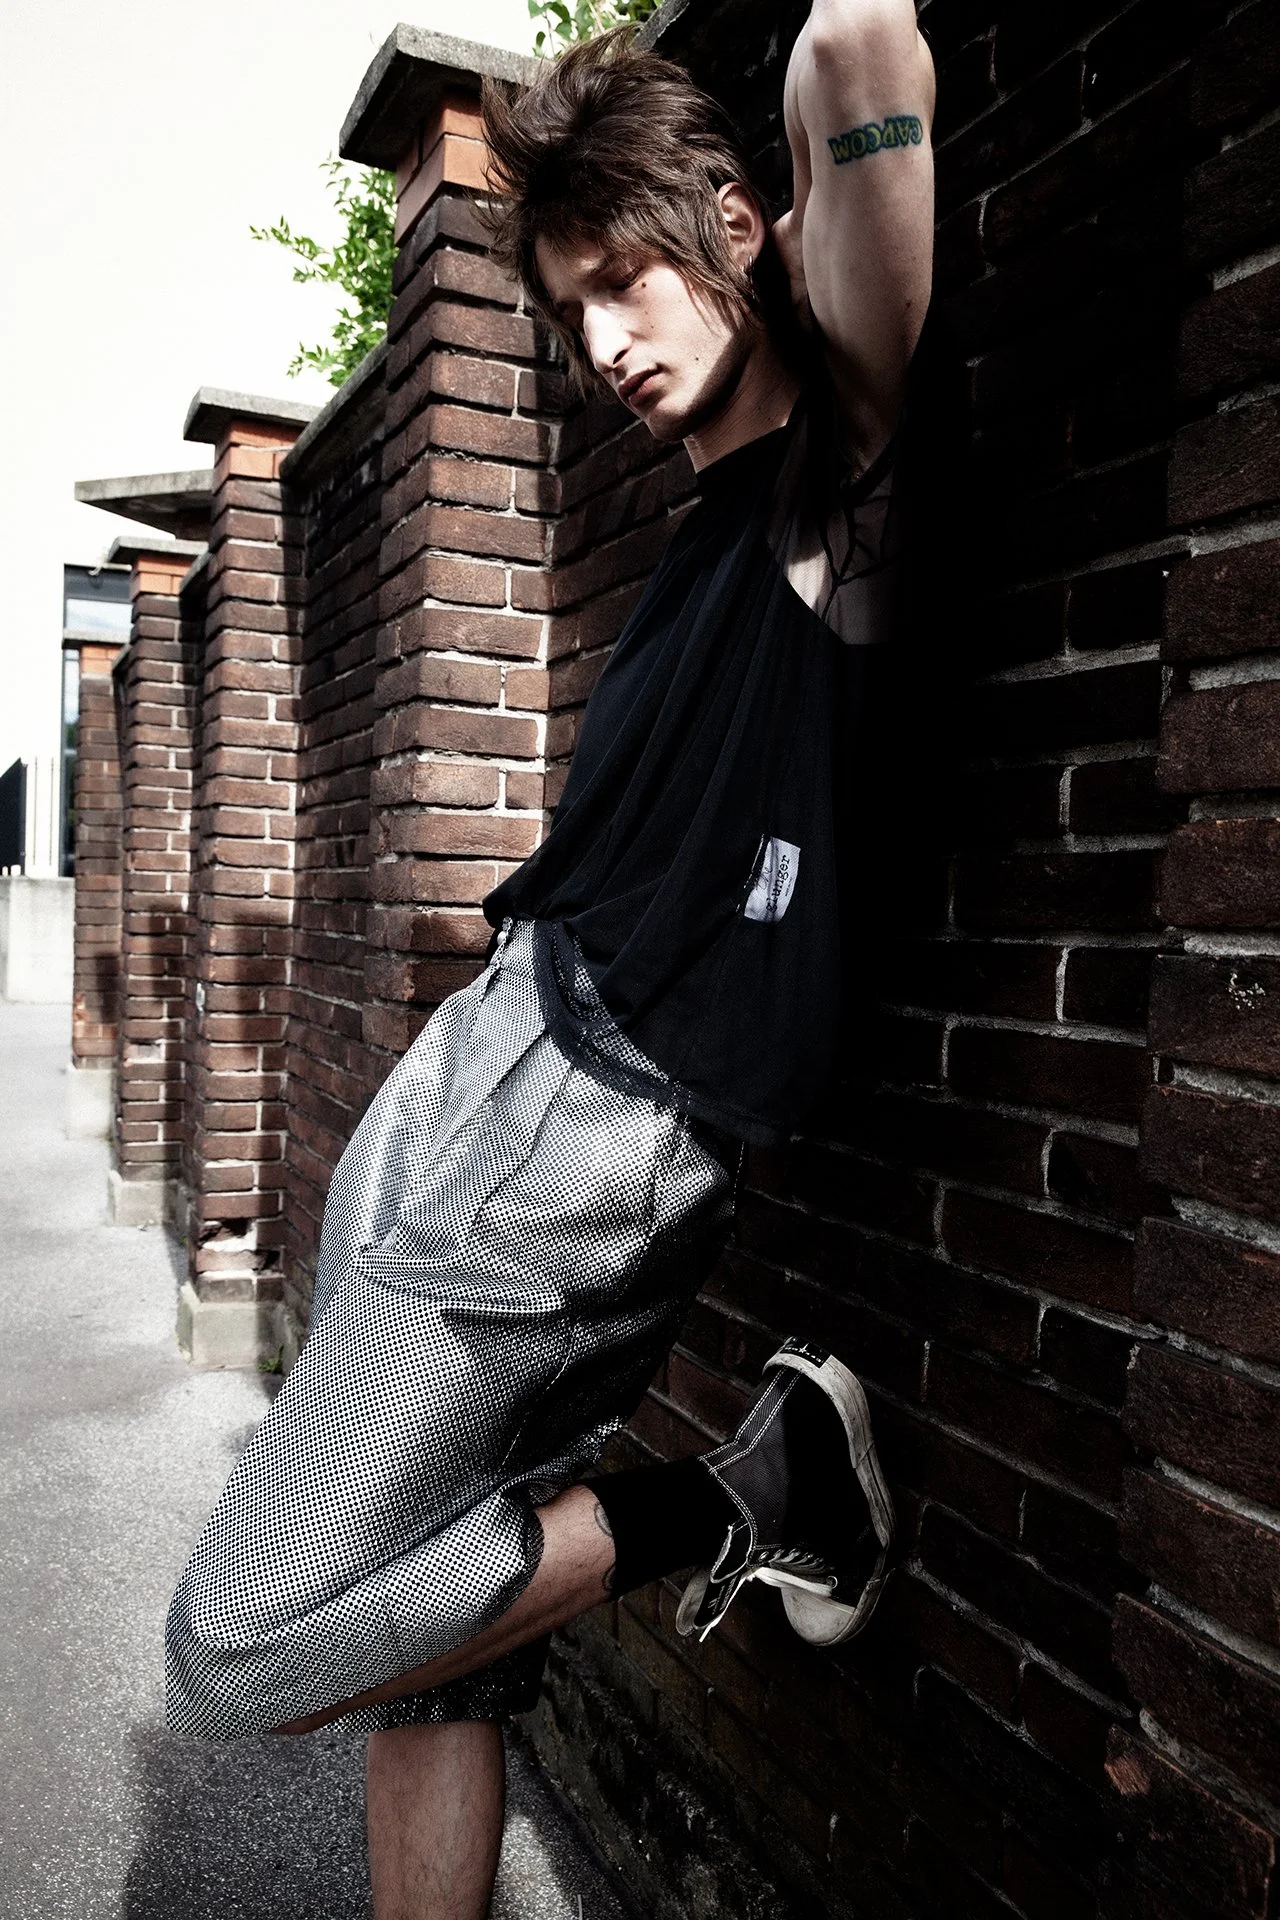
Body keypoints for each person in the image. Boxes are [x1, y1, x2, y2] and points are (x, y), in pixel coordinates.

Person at [164, 7, 935, 1915]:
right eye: (568, 307)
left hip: (588, 1138)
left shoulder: (839, 493)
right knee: (433, 1652)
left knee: (238, 1640)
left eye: (623, 283)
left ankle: (751, 1499)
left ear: (739, 230)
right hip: (471, 1079)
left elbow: (858, 65)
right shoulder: (701, 538)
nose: (600, 348)